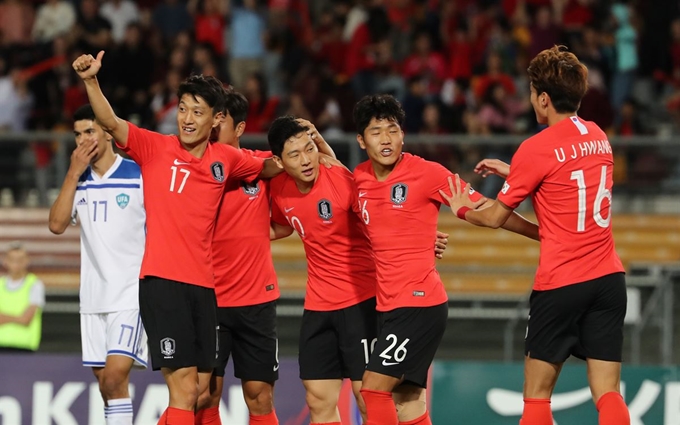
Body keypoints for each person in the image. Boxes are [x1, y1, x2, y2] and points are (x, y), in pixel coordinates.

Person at [71, 51, 280, 424]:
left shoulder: (225, 159)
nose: (186, 118)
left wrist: (307, 154)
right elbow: (110, 121)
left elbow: (267, 165)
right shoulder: (155, 147)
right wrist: (90, 81)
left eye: (197, 112)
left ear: (217, 119)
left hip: (204, 288)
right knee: (184, 390)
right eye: (183, 108)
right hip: (163, 283)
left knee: (198, 390)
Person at [439, 45, 630, 425]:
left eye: (530, 92)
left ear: (543, 98)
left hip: (562, 283)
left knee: (537, 398)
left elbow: (494, 217)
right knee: (607, 392)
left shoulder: (536, 147)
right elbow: (569, 179)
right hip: (609, 279)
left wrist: (460, 207)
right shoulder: (598, 136)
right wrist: (516, 173)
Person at [352, 94, 539, 425]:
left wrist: (541, 234)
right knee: (407, 401)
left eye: (392, 129)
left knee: (373, 390)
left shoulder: (426, 172)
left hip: (419, 303)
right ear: (361, 140)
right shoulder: (359, 180)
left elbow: (485, 207)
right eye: (376, 131)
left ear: (403, 135)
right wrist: (423, 239)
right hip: (388, 305)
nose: (386, 138)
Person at [267, 115, 450, 425]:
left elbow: (380, 213)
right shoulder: (279, 190)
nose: (306, 159)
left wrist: (417, 238)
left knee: (370, 399)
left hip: (361, 299)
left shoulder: (340, 181)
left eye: (310, 149)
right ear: (280, 162)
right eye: (295, 154)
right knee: (317, 397)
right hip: (318, 303)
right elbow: (282, 227)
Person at [48, 104, 147, 425]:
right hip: (92, 298)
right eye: (77, 134)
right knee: (107, 386)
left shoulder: (138, 174)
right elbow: (57, 224)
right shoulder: (79, 180)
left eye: (89, 131)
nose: (82, 140)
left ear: (107, 131)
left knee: (115, 377)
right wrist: (73, 172)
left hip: (130, 294)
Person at [194, 89, 280, 425]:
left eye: (220, 119)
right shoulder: (196, 168)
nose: (213, 125)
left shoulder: (263, 165)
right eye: (210, 117)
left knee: (259, 393)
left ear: (240, 128)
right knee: (204, 393)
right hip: (209, 298)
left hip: (256, 300)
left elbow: (309, 175)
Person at [0, 242, 45, 353]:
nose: (16, 263)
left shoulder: (34, 284)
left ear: (27, 261)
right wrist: (18, 318)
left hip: (24, 349)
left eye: (20, 259)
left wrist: (5, 317)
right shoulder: (0, 284)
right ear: (5, 261)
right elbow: (22, 318)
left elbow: (26, 319)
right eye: (12, 259)